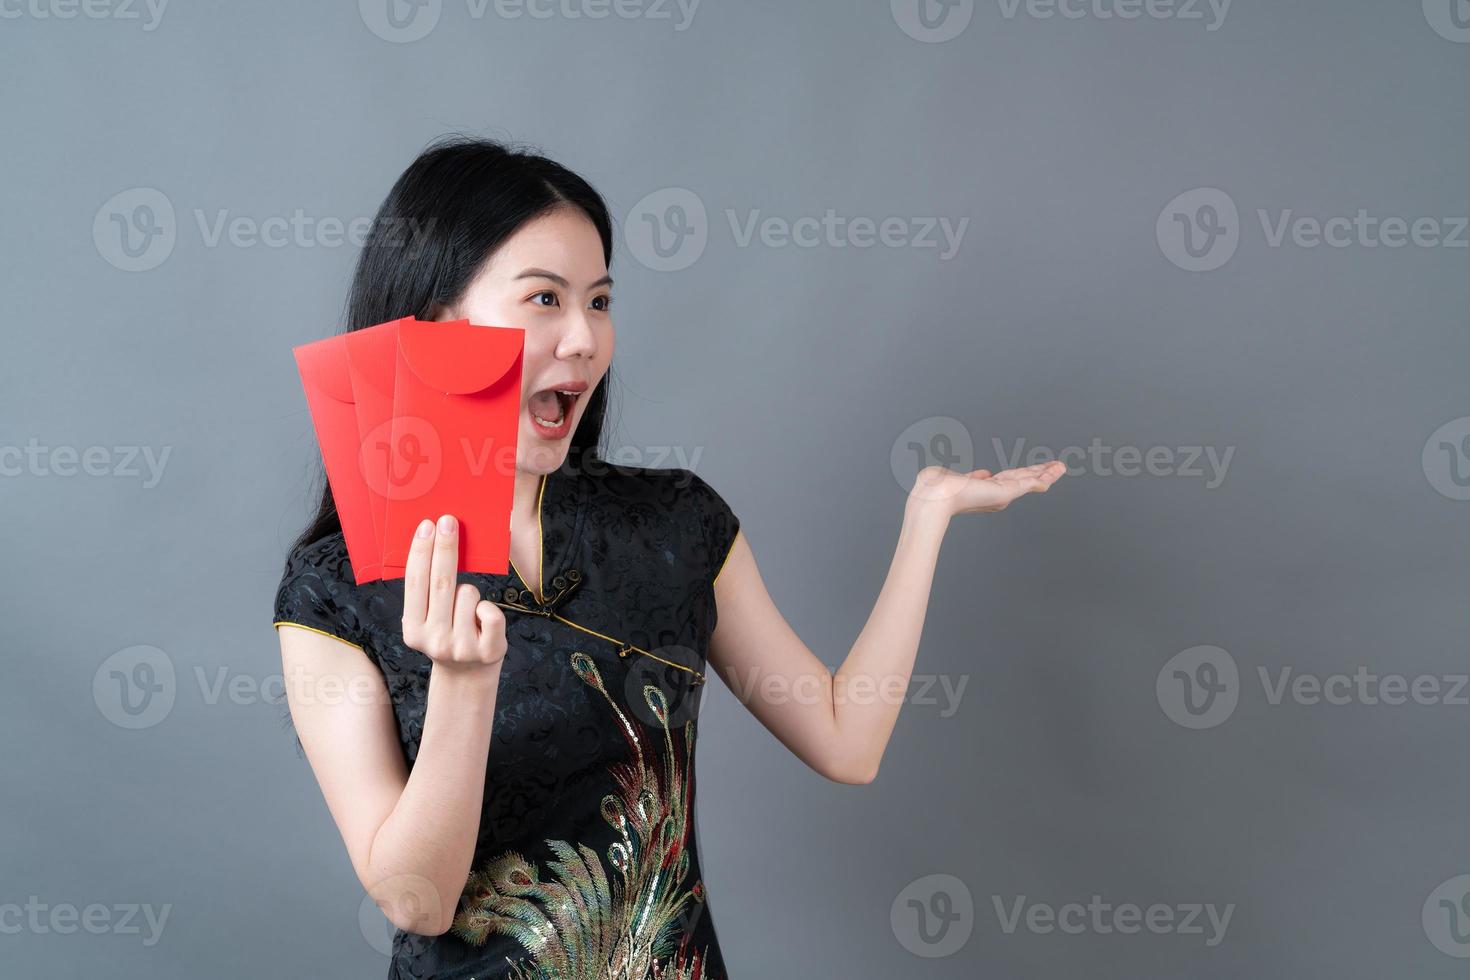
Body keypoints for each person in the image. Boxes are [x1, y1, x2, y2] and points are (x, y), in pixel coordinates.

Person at [272, 135, 1066, 980]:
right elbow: (416, 901)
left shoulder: (675, 525)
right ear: (436, 326)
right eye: (544, 298)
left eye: (601, 300)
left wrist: (927, 518)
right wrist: (465, 684)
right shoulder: (333, 591)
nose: (583, 338)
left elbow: (847, 741)